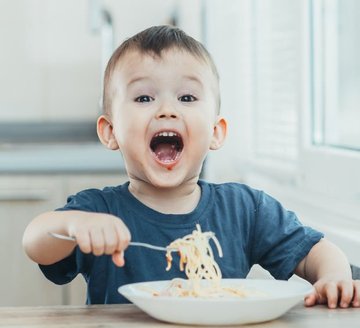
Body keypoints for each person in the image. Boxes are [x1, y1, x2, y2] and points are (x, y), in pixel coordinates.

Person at [23, 25, 359, 308]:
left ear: (215, 132)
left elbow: (314, 251)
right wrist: (71, 225)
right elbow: (36, 242)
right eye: (143, 98)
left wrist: (334, 277)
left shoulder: (245, 209)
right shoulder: (98, 211)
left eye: (186, 98)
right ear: (111, 132)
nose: (167, 110)